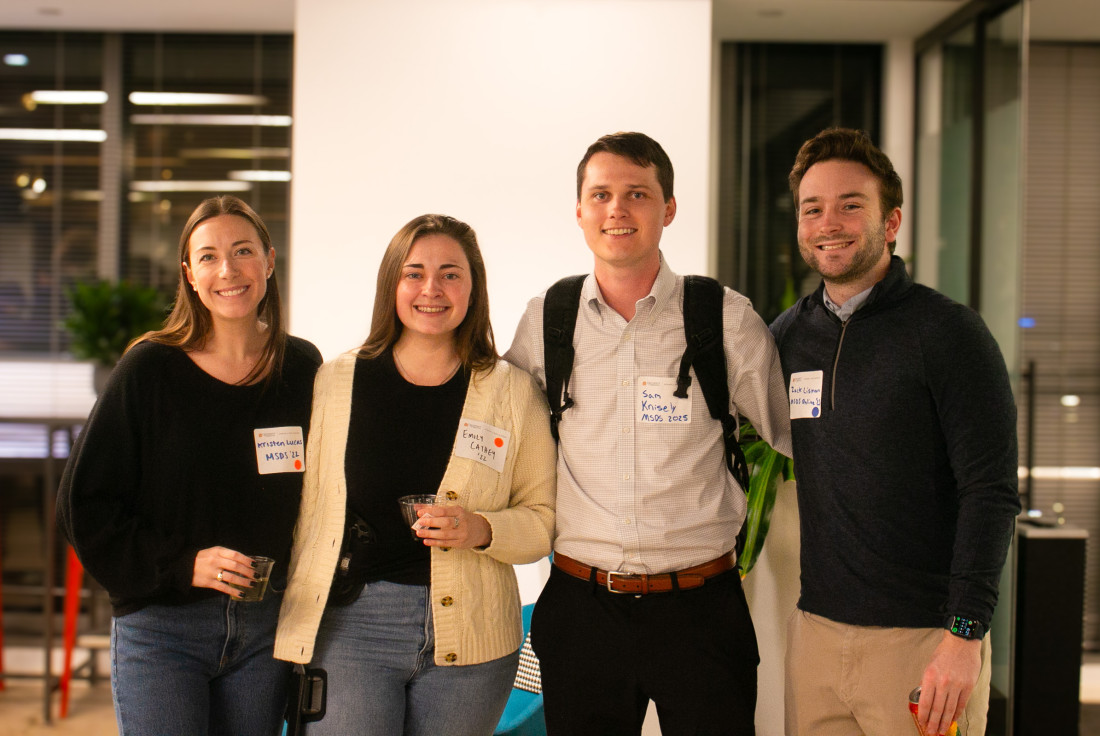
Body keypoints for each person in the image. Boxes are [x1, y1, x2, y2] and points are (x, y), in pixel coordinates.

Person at [505, 132, 792, 735]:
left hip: (702, 609)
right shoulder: (546, 321)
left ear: (668, 209)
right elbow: (506, 441)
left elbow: (800, 440)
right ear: (579, 210)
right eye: (601, 194)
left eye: (637, 193)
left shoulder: (725, 319)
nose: (618, 209)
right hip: (582, 611)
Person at [771, 128, 1020, 736]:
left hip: (923, 642)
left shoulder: (949, 333)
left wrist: (964, 637)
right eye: (813, 208)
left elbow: (990, 492)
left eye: (851, 204)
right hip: (817, 638)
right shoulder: (785, 337)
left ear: (892, 220)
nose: (830, 222)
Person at [274, 214, 556, 736]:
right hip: (352, 625)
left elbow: (543, 522)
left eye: (451, 274)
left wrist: (482, 529)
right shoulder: (336, 380)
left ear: (474, 287)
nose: (432, 289)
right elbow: (299, 507)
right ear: (392, 285)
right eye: (414, 273)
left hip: (474, 633)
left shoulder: (512, 392)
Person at [56, 195, 323, 735]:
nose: (228, 270)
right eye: (208, 256)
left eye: (243, 251)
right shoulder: (149, 369)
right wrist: (183, 564)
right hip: (163, 629)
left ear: (269, 262)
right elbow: (83, 507)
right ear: (190, 274)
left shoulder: (302, 367)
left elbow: (326, 496)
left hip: (265, 630)